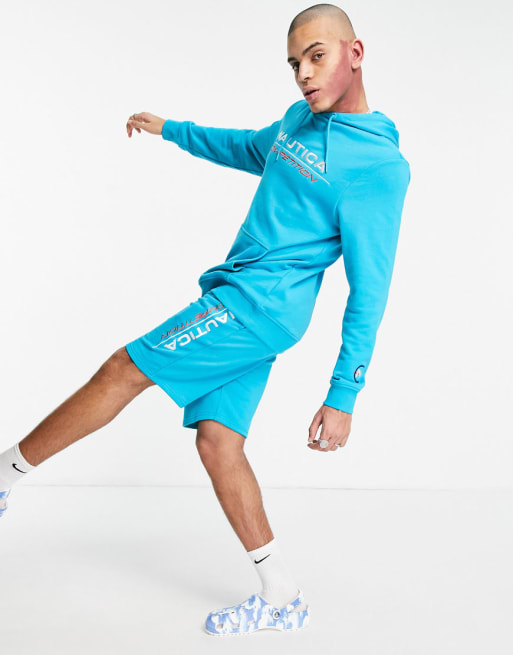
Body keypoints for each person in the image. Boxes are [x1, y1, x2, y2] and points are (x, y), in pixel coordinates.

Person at [0, 3, 411, 637]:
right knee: (218, 443)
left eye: (317, 56)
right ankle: (282, 596)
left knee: (123, 369)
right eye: (294, 63)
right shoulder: (298, 120)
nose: (303, 73)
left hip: (255, 308)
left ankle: (5, 474)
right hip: (248, 301)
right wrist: (171, 129)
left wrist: (343, 394)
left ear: (355, 54)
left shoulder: (378, 169)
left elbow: (370, 290)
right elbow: (248, 148)